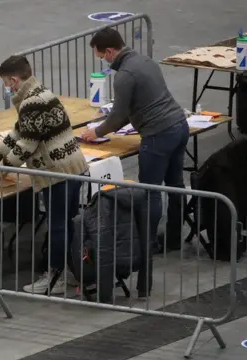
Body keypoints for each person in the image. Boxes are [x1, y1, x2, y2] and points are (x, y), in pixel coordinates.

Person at [0, 55, 89, 295]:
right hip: (73, 166)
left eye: (6, 83)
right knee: (69, 223)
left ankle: (55, 277)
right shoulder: (40, 93)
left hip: (56, 172)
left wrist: (3, 168)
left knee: (59, 226)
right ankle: (70, 273)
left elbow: (28, 143)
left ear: (14, 79)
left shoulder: (31, 102)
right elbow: (18, 132)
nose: (6, 88)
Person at [81, 28, 189, 251]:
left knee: (150, 192)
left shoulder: (124, 76)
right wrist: (105, 127)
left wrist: (97, 132)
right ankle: (174, 237)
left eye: (102, 57)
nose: (104, 62)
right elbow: (130, 112)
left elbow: (119, 115)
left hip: (158, 135)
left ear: (110, 51)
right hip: (179, 125)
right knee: (176, 186)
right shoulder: (146, 61)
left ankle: (147, 244)